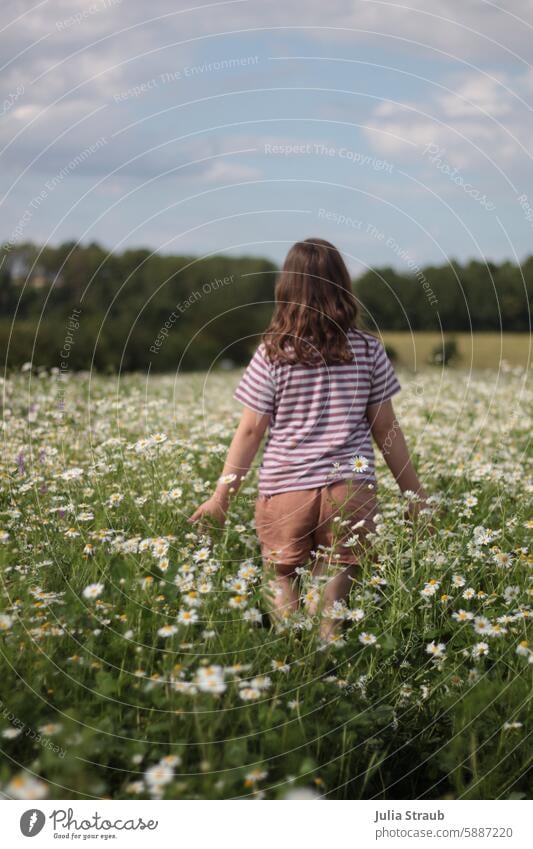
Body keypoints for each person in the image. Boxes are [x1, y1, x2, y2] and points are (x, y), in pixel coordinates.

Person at [189, 238, 429, 641]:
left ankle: (294, 658)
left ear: (286, 289)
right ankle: (328, 646)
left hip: (286, 484)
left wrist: (221, 498)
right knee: (338, 575)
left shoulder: (272, 353)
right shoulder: (368, 348)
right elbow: (385, 429)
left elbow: (250, 430)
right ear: (342, 286)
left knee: (282, 574)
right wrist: (414, 495)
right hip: (350, 482)